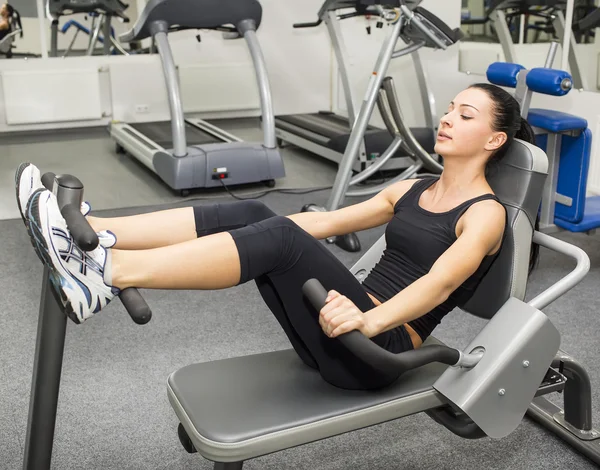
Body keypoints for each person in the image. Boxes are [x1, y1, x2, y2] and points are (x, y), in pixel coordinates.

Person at [16, 83, 536, 391]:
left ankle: (106, 273)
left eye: (464, 115)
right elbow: (327, 223)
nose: (447, 118)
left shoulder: (487, 213)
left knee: (282, 239)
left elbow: (440, 285)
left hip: (379, 348)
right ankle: (96, 230)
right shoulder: (412, 187)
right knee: (261, 213)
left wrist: (369, 317)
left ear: (494, 139)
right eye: (448, 109)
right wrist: (269, 224)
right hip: (337, 325)